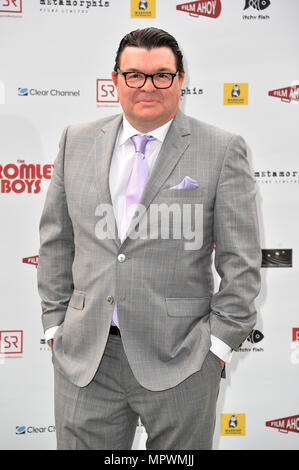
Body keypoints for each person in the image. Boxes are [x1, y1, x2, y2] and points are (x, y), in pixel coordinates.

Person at [37, 27, 261, 450]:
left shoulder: (222, 149)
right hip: (86, 360)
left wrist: (214, 351)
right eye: (134, 75)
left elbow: (241, 264)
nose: (147, 86)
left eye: (161, 75)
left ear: (180, 80)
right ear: (116, 80)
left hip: (183, 359)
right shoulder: (76, 141)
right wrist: (54, 329)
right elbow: (55, 243)